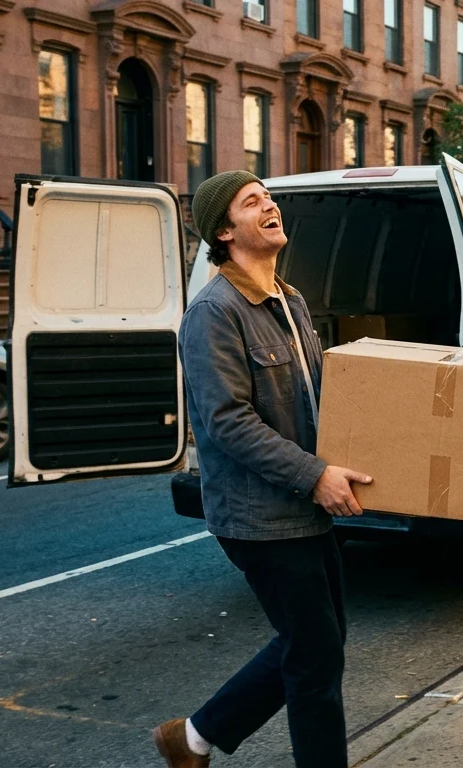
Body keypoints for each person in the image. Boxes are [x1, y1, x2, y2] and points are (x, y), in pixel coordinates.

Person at [152, 170, 372, 768]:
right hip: (259, 516)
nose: (269, 206)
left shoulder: (290, 299)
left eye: (269, 198)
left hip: (306, 506)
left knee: (320, 647)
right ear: (224, 230)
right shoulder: (214, 313)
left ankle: (194, 738)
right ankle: (196, 739)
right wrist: (314, 474)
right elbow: (227, 423)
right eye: (253, 203)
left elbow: (319, 399)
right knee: (314, 659)